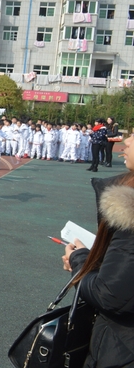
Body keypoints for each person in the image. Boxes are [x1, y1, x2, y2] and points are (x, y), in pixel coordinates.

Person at [61, 133, 134, 367]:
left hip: (122, 349)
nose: (126, 141)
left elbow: (110, 294)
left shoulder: (130, 213)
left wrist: (80, 259)